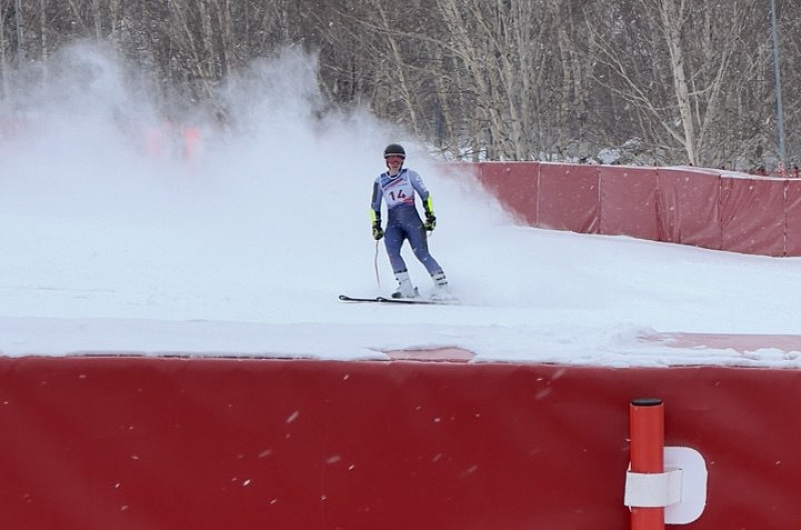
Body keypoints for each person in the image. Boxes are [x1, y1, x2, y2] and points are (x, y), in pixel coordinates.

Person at [370, 143, 449, 299]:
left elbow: (425, 195)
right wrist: (376, 225)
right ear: (386, 161)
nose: (394, 162)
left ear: (403, 161)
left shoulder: (410, 175)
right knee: (392, 252)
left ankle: (442, 287)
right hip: (393, 224)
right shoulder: (380, 180)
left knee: (421, 253)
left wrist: (430, 215)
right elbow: (374, 206)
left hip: (412, 221)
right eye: (391, 159)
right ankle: (405, 286)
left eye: (398, 159)